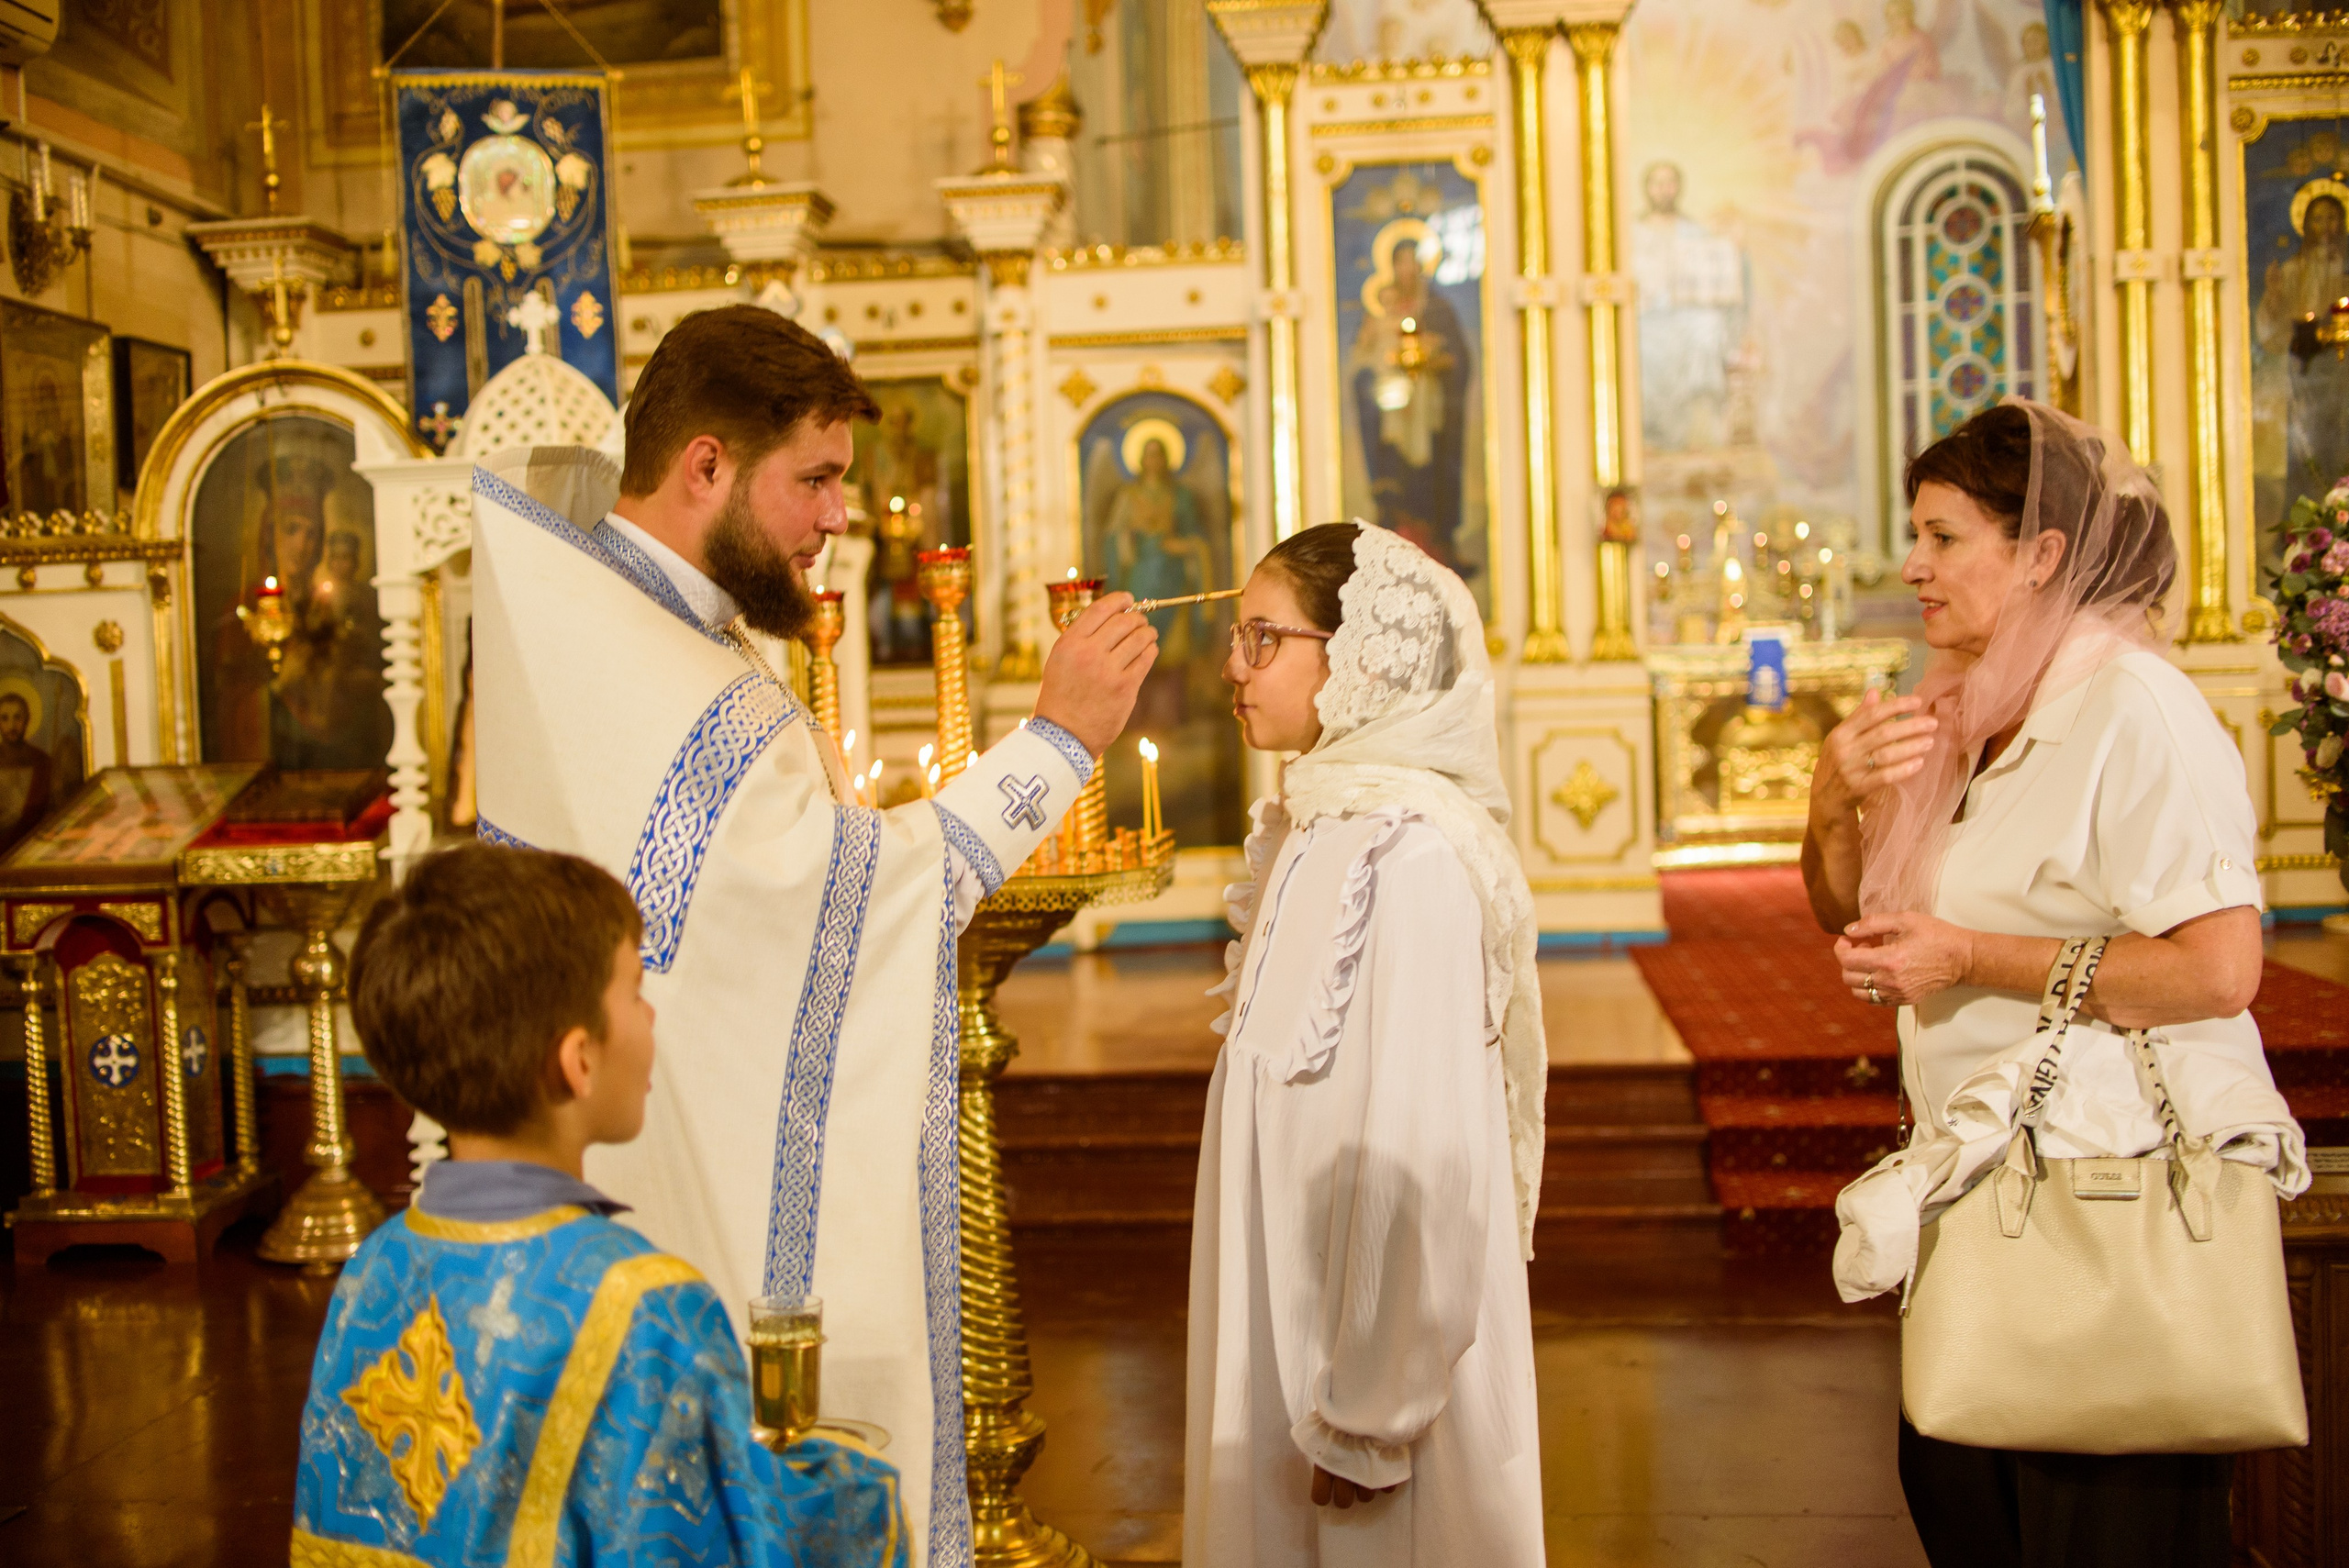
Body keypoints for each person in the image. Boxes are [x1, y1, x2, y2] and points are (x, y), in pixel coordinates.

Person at [467, 304, 1156, 1568]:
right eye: (818, 480)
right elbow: (844, 899)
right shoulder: (656, 671)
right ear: (707, 466)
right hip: (672, 1199)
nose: (841, 517)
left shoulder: (626, 625)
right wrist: (1056, 747)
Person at [1800, 401, 2306, 1567]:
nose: (1910, 566)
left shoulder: (2135, 710)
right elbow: (1861, 920)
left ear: (2041, 554)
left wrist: (1971, 957)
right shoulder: (1965, 709)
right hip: (1984, 1195)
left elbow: (2219, 968)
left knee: (2096, 1530)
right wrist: (1829, 805)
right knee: (1963, 1497)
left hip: (2101, 1216)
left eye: (1941, 538)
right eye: (1912, 536)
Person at [295, 843, 908, 1567]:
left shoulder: (374, 1268)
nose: (650, 1015)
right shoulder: (645, 1308)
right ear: (578, 1059)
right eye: (635, 990)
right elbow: (747, 1534)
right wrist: (856, 1480)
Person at [1183, 521, 1545, 1564]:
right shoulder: (1315, 825)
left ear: (1361, 659)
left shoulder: (1413, 855)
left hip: (1367, 1378)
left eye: (1262, 637)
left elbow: (1427, 1150)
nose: (1231, 666)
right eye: (1237, 635)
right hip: (1290, 1311)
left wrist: (1371, 1413)